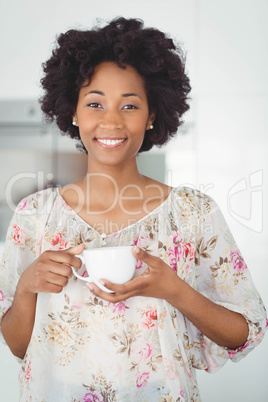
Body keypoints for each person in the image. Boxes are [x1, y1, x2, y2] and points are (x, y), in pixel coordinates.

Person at [0, 17, 267, 402]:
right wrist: (26, 286)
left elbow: (247, 332)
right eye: (95, 103)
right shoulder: (34, 214)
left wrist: (175, 290)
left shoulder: (192, 212)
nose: (111, 120)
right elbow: (19, 347)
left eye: (129, 105)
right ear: (73, 113)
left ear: (152, 114)